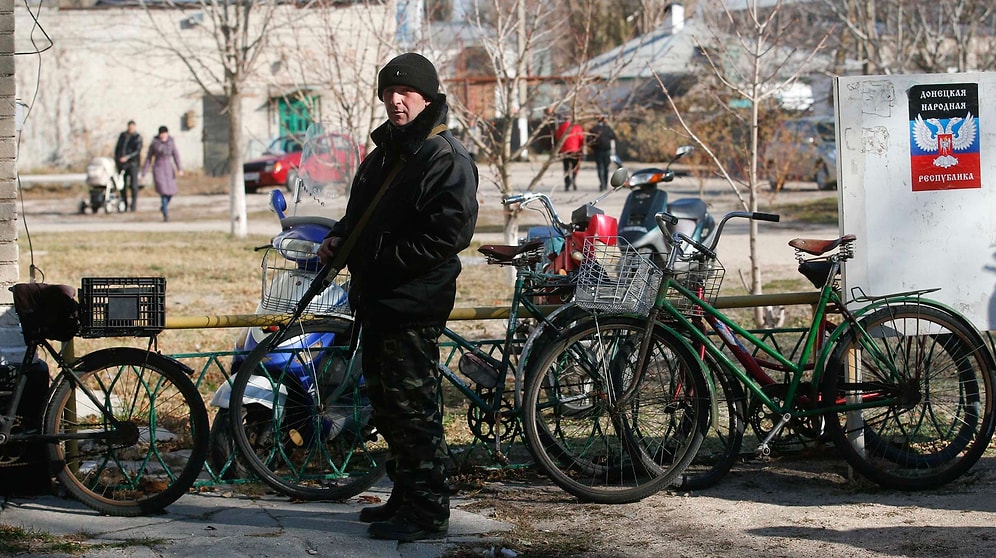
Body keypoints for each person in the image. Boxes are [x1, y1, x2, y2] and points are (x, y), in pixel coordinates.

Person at [317, 52, 479, 542]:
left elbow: (446, 236)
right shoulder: (387, 151)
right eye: (388, 91)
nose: (395, 99)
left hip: (411, 302)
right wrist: (342, 240)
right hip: (378, 300)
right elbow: (362, 215)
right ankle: (406, 496)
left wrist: (377, 256)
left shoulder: (443, 157)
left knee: (414, 412)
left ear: (427, 97)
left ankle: (428, 514)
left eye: (405, 92)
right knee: (387, 408)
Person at [140, 126, 183, 221]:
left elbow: (176, 155)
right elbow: (148, 159)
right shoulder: (154, 144)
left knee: (171, 191)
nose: (163, 135)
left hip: (168, 168)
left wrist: (179, 168)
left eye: (164, 133)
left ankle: (164, 206)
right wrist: (144, 173)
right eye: (161, 134)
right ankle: (165, 214)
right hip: (158, 168)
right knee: (163, 191)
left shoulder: (171, 143)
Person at [114, 120, 143, 211]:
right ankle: (124, 203)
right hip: (122, 164)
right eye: (130, 127)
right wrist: (118, 159)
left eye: (132, 127)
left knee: (134, 185)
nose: (131, 129)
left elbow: (137, 150)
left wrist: (127, 157)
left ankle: (133, 205)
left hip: (133, 164)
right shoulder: (123, 136)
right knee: (122, 185)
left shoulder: (137, 137)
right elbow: (118, 148)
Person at [588, 114, 617, 191]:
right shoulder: (607, 128)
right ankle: (604, 184)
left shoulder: (594, 129)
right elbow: (613, 137)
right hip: (605, 150)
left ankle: (603, 184)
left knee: (601, 168)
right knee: (605, 168)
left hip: (599, 151)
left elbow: (589, 141)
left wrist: (593, 148)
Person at [555, 117, 585, 190]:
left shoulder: (561, 127)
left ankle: (567, 184)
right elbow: (581, 139)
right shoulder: (577, 128)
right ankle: (574, 179)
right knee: (575, 167)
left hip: (565, 150)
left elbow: (558, 137)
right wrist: (581, 149)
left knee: (566, 168)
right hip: (575, 150)